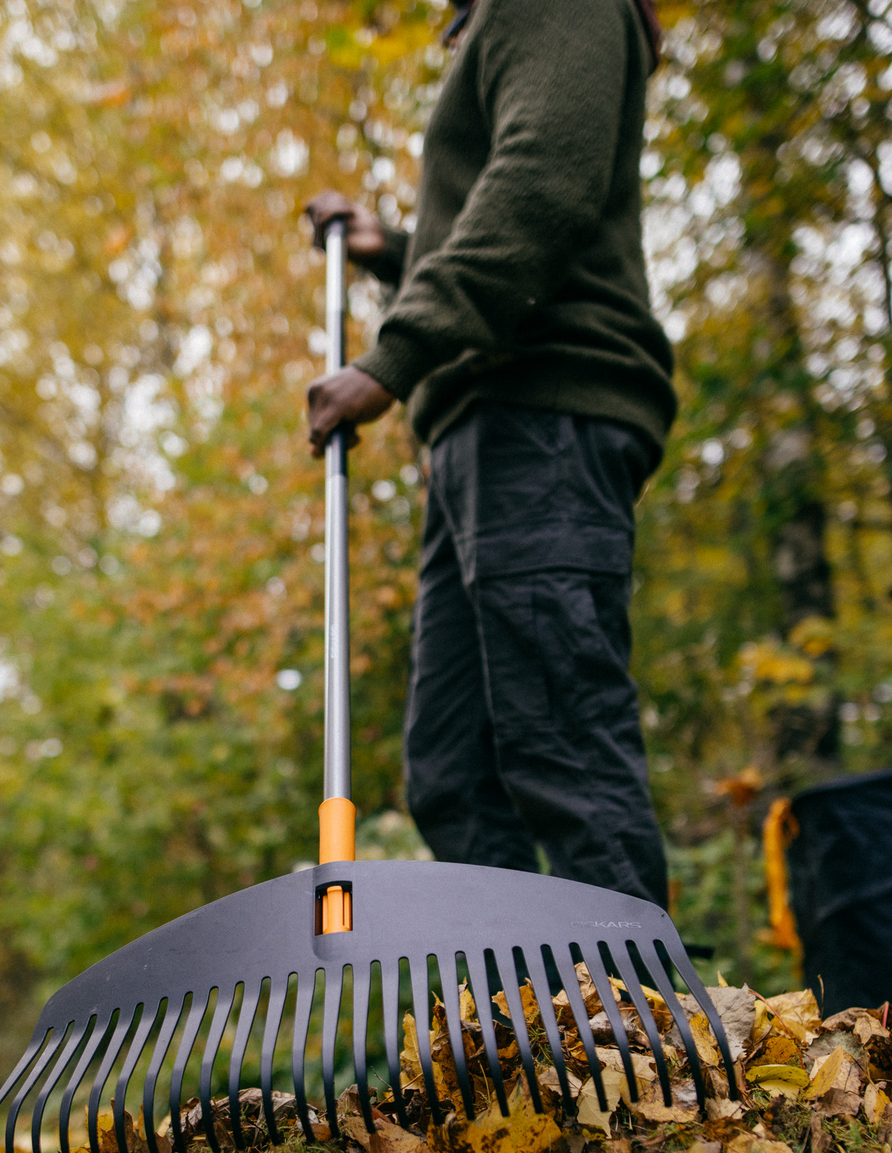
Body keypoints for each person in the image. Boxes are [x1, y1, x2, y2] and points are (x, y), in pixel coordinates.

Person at [304, 0, 675, 906]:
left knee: (562, 741)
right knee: (452, 770)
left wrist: (393, 357)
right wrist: (393, 250)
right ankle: (534, 993)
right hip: (478, 424)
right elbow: (500, 215)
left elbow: (544, 183)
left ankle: (632, 993)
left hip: (541, 406)